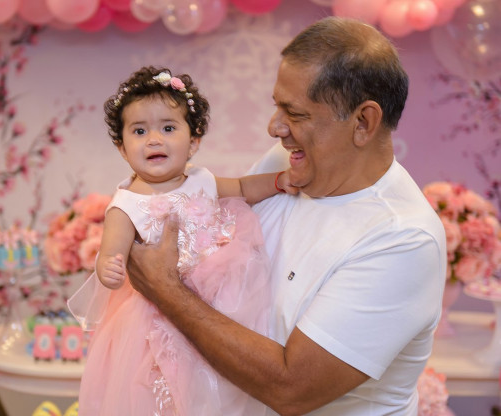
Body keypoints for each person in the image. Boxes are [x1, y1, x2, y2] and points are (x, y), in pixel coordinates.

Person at [126, 17, 447, 416]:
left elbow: (291, 388)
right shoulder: (288, 163)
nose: (274, 127)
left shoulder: (403, 240)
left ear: (363, 122)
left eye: (295, 113)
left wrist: (165, 289)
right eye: (277, 105)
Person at [67, 65, 297, 415]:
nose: (154, 139)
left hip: (219, 300)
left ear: (193, 142)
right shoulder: (126, 204)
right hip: (157, 313)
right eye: (139, 131)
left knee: (221, 372)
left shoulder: (202, 180)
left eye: (168, 128)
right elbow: (111, 251)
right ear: (122, 148)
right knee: (166, 384)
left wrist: (279, 181)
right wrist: (107, 267)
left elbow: (243, 188)